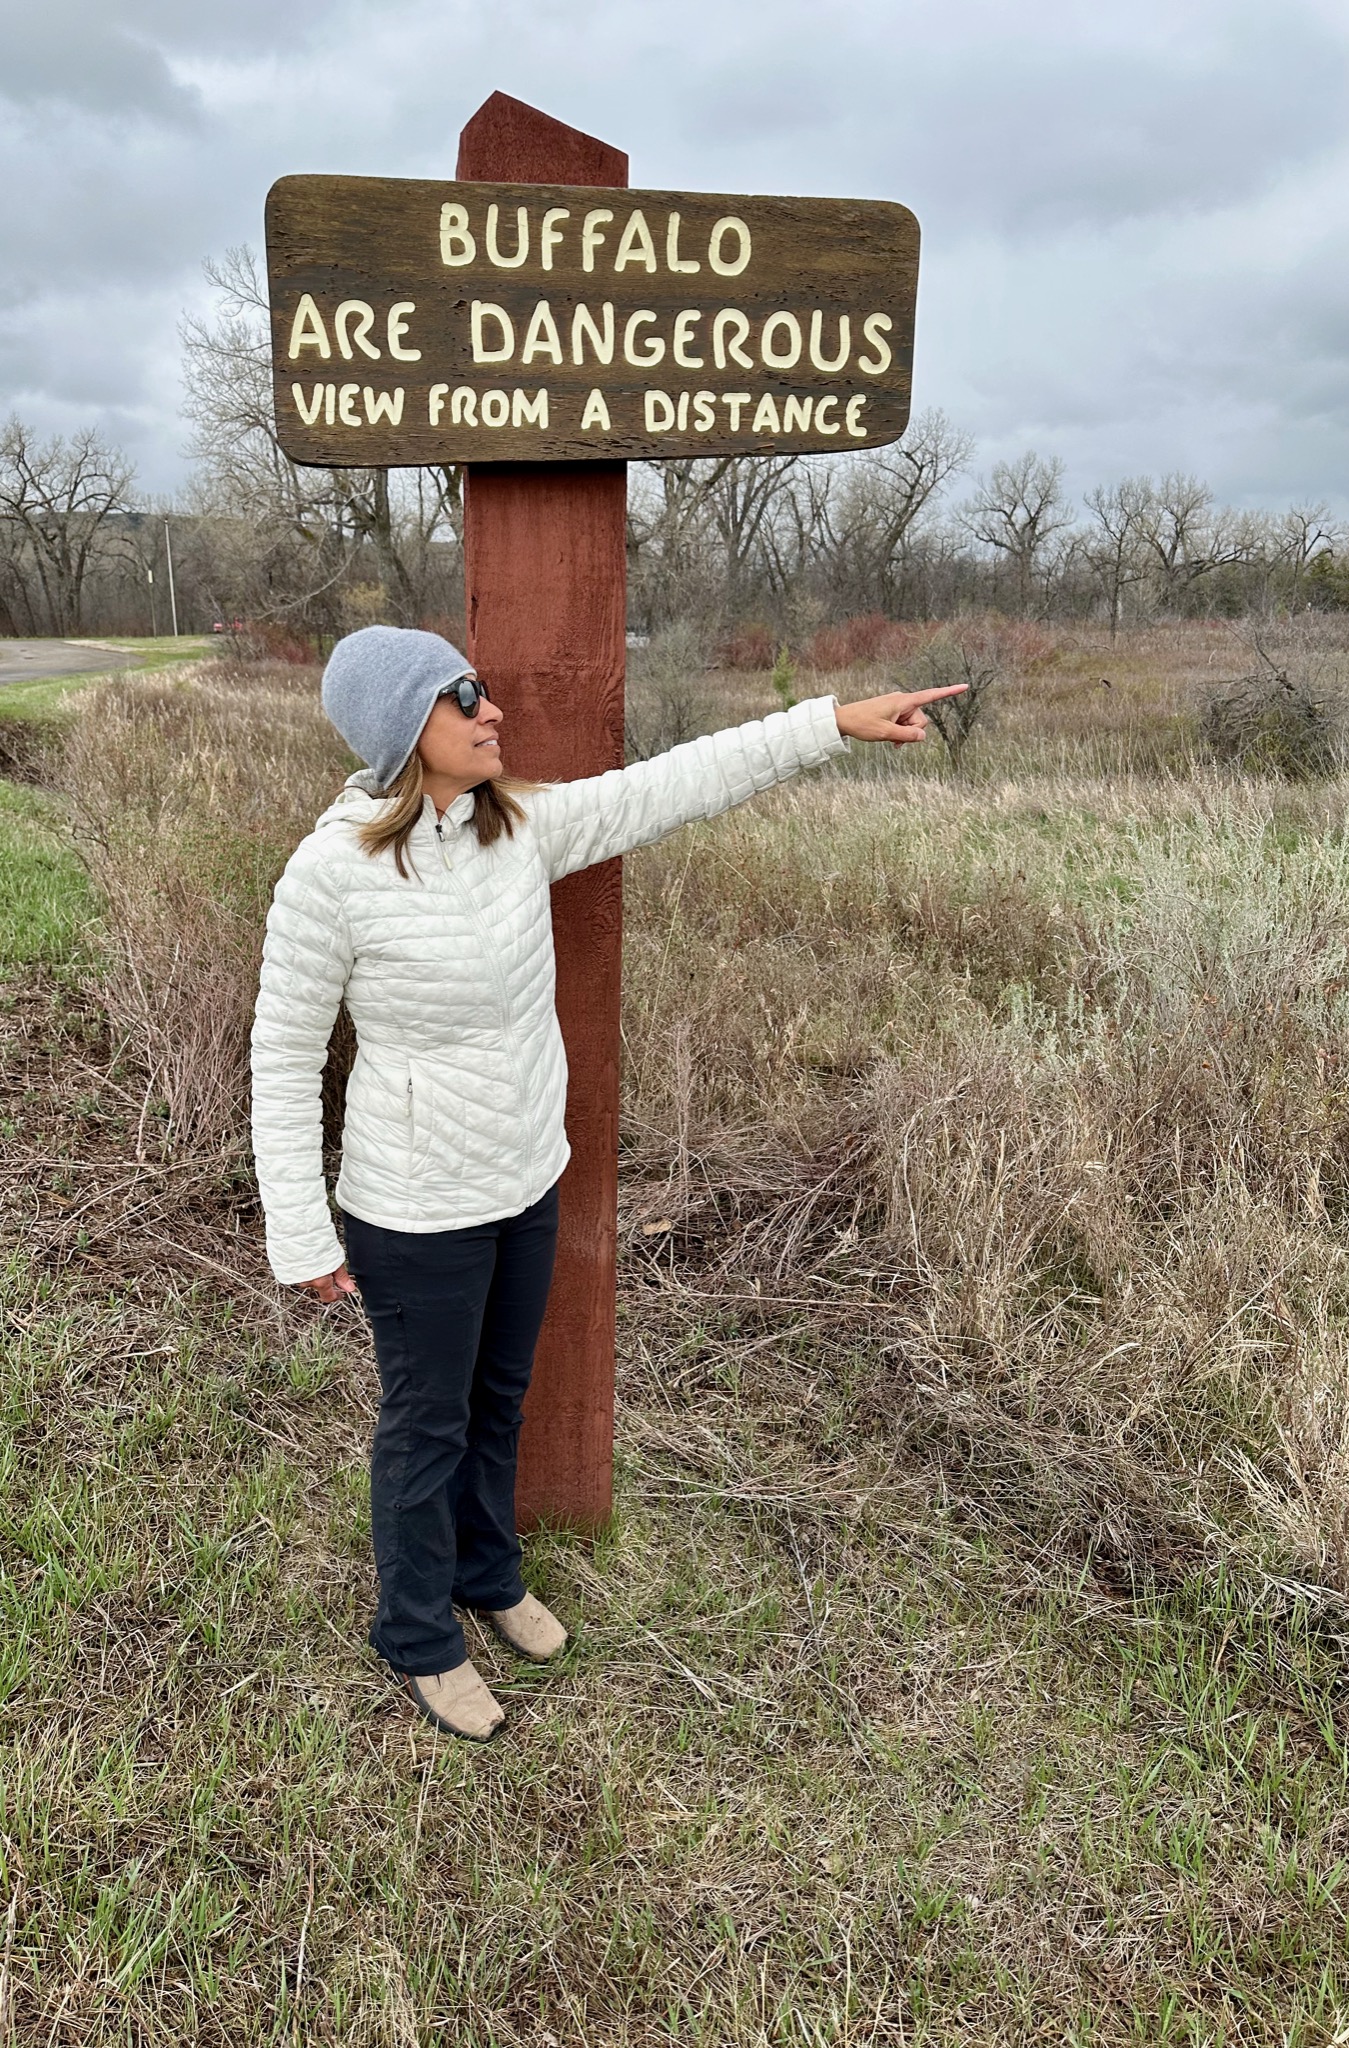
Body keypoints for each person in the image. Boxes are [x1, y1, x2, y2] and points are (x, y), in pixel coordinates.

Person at [251, 625, 965, 1741]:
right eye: (464, 697)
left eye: (482, 690)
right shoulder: (329, 873)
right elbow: (284, 1059)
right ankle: (417, 1631)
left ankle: (487, 1574)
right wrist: (301, 1229)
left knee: (499, 1403)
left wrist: (828, 721)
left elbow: (673, 783)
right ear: (405, 734)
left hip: (523, 1181)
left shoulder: (518, 828)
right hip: (414, 1212)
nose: (493, 711)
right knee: (425, 1424)